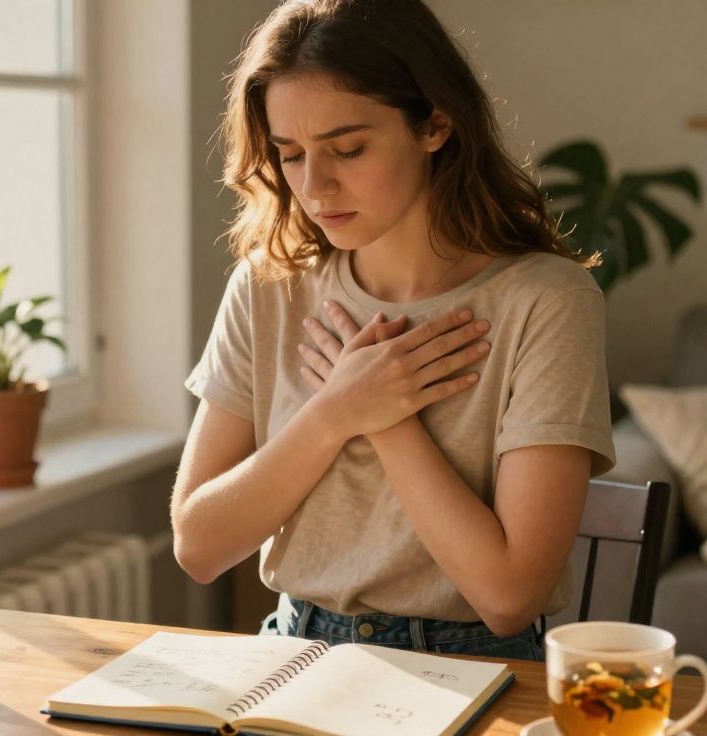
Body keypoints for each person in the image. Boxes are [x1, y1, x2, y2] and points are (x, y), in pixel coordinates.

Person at [171, 0, 616, 662]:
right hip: (291, 657)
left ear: (435, 124)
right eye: (290, 155)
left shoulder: (543, 301)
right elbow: (198, 546)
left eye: (348, 148)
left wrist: (387, 420)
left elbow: (507, 596)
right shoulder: (270, 287)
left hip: (474, 666)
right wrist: (334, 412)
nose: (315, 186)